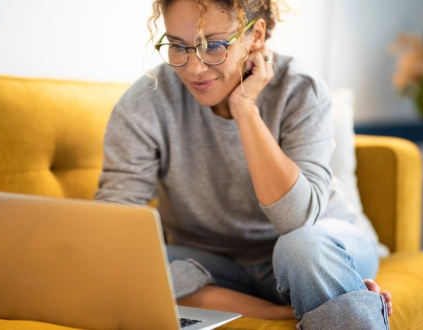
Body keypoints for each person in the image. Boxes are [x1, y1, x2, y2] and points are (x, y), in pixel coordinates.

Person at [95, 0, 392, 328]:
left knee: (302, 248)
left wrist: (246, 109)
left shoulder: (300, 89)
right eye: (178, 46)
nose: (194, 68)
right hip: (213, 266)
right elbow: (114, 231)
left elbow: (297, 220)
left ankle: (319, 291)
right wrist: (275, 314)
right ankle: (290, 307)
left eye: (215, 45)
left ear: (256, 35)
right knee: (127, 264)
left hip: (314, 246)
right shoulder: (145, 103)